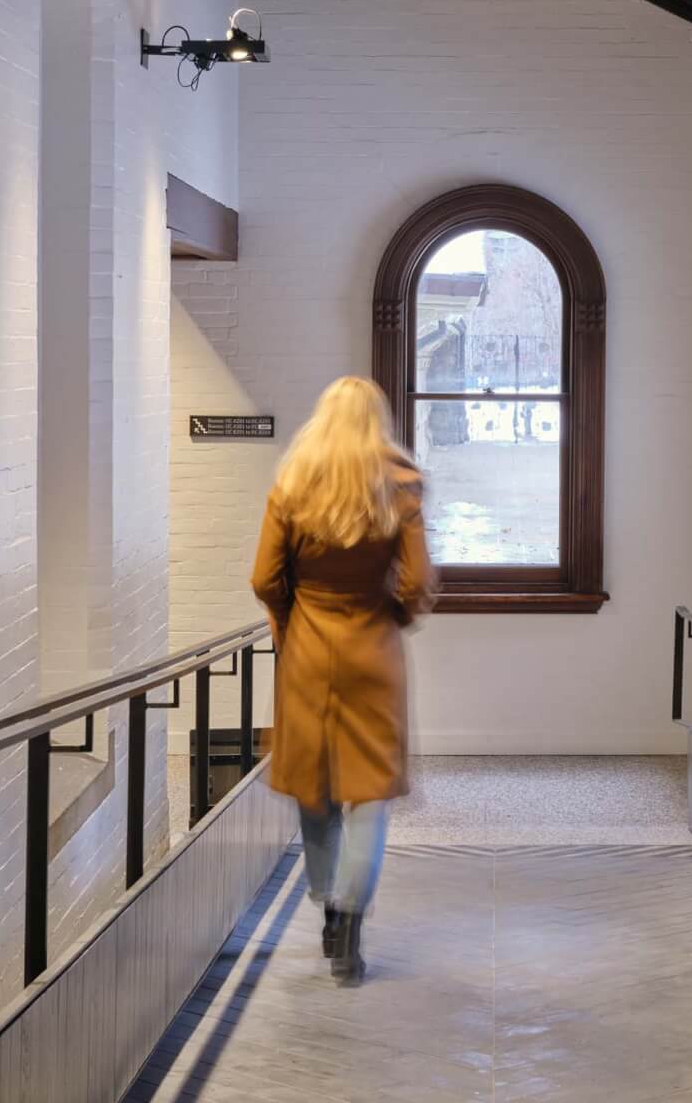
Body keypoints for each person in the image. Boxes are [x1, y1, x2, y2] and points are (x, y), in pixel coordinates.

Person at [250, 376, 437, 985]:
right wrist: (391, 618)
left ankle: (328, 899)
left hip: (308, 649)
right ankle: (353, 914)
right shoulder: (400, 483)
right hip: (372, 654)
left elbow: (264, 578)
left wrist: (288, 622)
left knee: (315, 788)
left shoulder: (293, 482)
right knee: (367, 794)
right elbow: (416, 585)